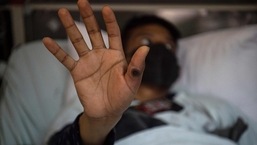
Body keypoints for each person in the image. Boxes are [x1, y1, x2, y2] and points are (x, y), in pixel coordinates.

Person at [43, 0, 251, 144]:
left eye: (169, 46)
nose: (159, 50)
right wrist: (98, 123)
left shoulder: (210, 107)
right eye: (146, 41)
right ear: (122, 53)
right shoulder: (89, 108)